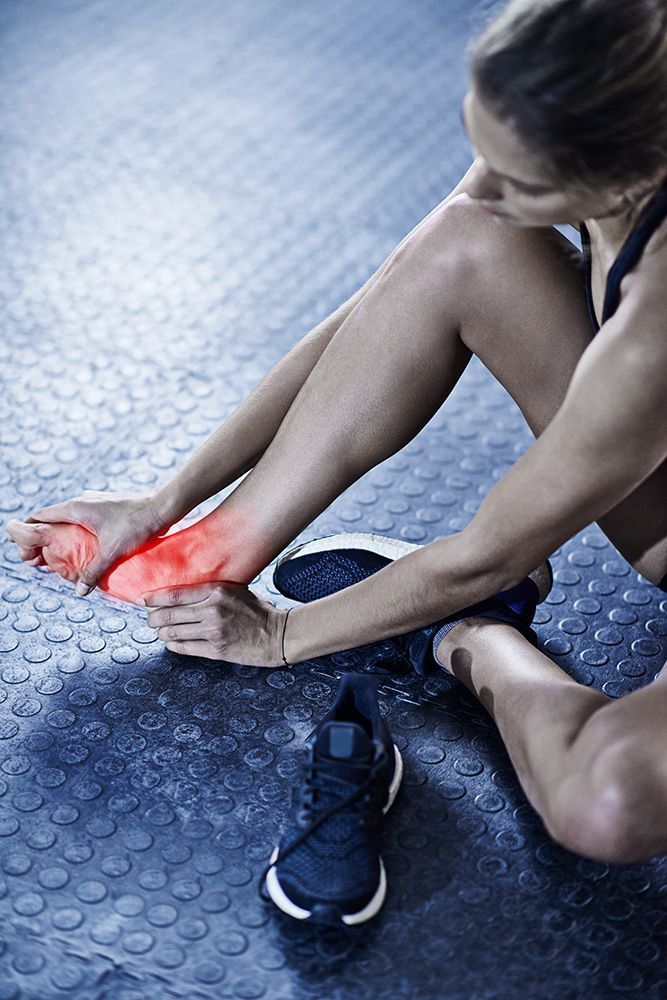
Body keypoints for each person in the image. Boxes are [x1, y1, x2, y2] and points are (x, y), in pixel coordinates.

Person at [6, 0, 667, 864]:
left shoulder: (654, 322)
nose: (492, 191)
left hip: (625, 428)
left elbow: (487, 554)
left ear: (633, 175)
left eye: (524, 183)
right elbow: (396, 292)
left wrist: (278, 639)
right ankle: (229, 540)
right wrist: (169, 499)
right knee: (462, 240)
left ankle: (471, 639)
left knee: (604, 806)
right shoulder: (606, 82)